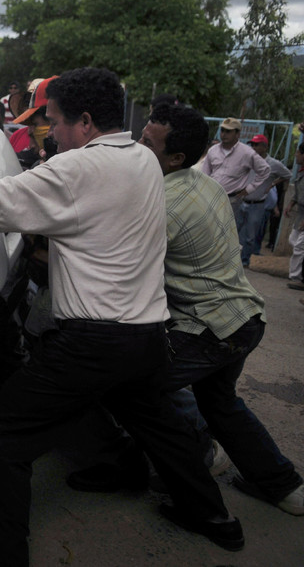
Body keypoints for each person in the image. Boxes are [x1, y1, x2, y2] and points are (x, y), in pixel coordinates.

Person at [0, 68, 241, 567]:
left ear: (86, 121)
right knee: (160, 427)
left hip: (94, 342)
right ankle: (214, 519)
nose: (50, 133)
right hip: (146, 335)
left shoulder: (76, 170)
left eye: (54, 122)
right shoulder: (142, 157)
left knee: (5, 434)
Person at [68, 104, 304, 517]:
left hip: (209, 329)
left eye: (146, 143)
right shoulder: (206, 184)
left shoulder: (160, 203)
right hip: (245, 319)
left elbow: (119, 265)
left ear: (176, 158)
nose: (135, 146)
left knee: (126, 388)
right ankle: (284, 487)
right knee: (220, 404)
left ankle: (141, 470)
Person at [200, 117, 270, 223]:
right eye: (222, 130)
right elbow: (205, 173)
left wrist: (249, 189)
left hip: (232, 199)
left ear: (237, 134)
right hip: (211, 196)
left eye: (228, 131)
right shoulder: (213, 150)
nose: (223, 134)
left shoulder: (246, 152)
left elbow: (265, 170)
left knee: (225, 229)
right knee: (207, 226)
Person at [239, 134, 291, 264]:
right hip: (241, 201)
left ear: (264, 147)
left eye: (256, 145)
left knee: (250, 236)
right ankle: (234, 259)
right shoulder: (248, 160)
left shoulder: (273, 164)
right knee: (236, 232)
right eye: (252, 145)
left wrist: (272, 183)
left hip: (257, 204)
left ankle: (245, 260)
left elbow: (288, 175)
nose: (254, 147)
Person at [286, 142, 304, 290]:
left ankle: (297, 277)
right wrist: (291, 203)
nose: (296, 155)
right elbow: (299, 193)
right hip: (300, 213)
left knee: (299, 246)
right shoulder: (301, 172)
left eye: (298, 153)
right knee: (293, 240)